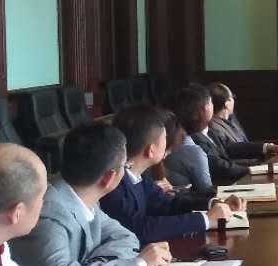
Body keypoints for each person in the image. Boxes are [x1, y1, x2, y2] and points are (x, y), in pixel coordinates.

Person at [11, 123, 172, 266]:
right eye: (124, 166)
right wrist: (139, 265)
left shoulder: (86, 196)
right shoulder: (48, 210)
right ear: (109, 178)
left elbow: (125, 237)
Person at [102, 105, 245, 244]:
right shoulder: (113, 183)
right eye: (165, 138)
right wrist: (206, 219)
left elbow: (167, 204)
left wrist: (213, 204)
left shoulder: (140, 174)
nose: (168, 143)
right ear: (151, 150)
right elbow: (140, 228)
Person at [167, 83, 249, 190]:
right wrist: (251, 170)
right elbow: (216, 169)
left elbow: (227, 149)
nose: (212, 106)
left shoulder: (207, 129)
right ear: (198, 112)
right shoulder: (191, 142)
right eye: (210, 103)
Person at [207, 82, 278, 163]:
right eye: (233, 97)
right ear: (227, 104)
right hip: (246, 167)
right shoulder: (213, 127)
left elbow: (246, 145)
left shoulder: (231, 119)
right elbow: (233, 150)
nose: (234, 100)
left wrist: (271, 148)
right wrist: (269, 149)